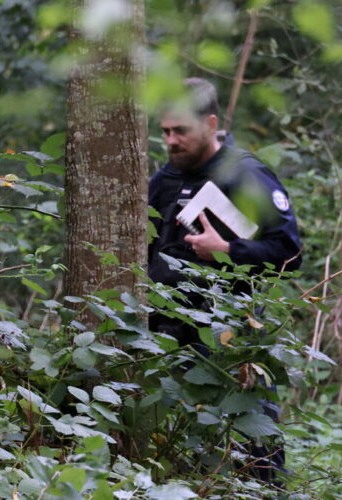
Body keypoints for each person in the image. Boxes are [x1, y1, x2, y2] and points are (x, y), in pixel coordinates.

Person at [148, 77, 302, 482]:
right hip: (164, 333)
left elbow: (290, 251)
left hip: (231, 337)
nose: (171, 141)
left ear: (211, 123)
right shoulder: (164, 178)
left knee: (254, 454)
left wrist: (230, 251)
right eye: (165, 131)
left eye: (181, 131)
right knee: (182, 454)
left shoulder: (246, 175)